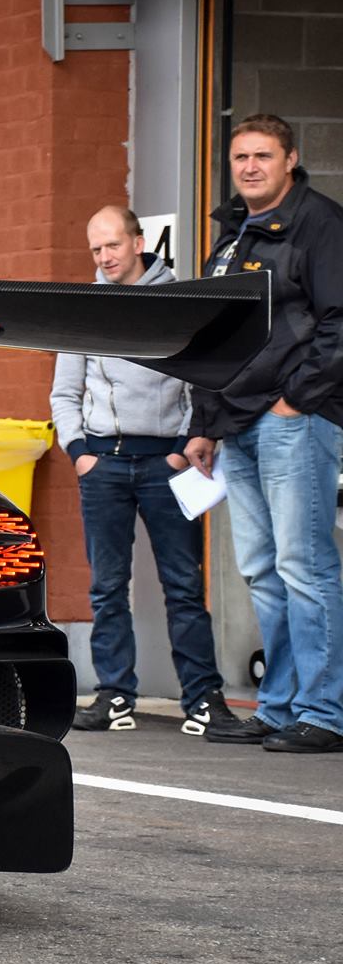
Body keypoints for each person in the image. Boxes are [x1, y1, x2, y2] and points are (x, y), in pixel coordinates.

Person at [186, 113, 343, 755]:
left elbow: (339, 323)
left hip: (293, 422)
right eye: (240, 157)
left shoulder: (320, 224)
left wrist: (294, 400)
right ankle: (279, 709)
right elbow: (208, 336)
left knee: (304, 566)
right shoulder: (230, 237)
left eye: (262, 156)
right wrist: (204, 423)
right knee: (262, 572)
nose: (249, 166)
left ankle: (325, 713)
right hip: (237, 425)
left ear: (290, 160)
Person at [53, 207, 238, 737]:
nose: (105, 258)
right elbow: (64, 393)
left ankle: (203, 700)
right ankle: (114, 696)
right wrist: (79, 453)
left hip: (166, 465)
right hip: (102, 464)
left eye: (113, 245)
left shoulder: (176, 301)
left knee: (182, 584)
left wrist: (181, 449)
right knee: (107, 587)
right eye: (95, 250)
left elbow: (200, 384)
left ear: (138, 242)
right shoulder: (84, 308)